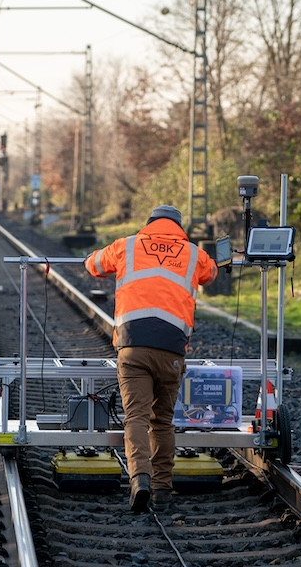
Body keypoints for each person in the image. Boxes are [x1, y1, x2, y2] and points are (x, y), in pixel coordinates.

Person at [84, 205, 218, 513]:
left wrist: (88, 257)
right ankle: (161, 490)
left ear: (149, 224)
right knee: (163, 421)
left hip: (133, 345)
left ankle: (139, 479)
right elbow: (211, 273)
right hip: (171, 348)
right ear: (179, 227)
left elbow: (94, 264)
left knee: (137, 417)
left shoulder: (127, 245)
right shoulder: (194, 253)